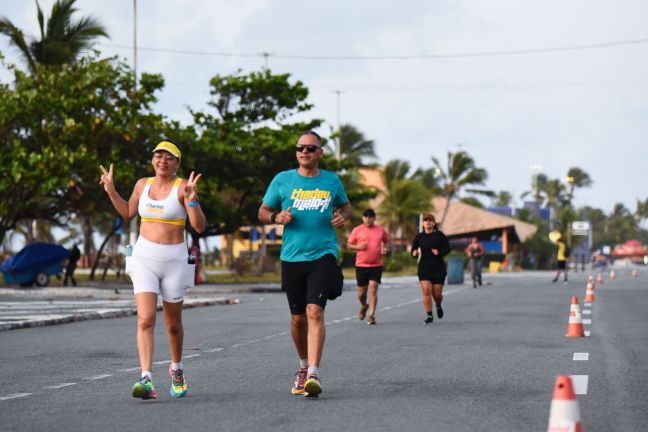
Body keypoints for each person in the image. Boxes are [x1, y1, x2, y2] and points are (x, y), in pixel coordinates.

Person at [99, 139, 206, 400]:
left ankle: (176, 368)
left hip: (175, 261)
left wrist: (192, 201)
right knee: (145, 319)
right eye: (159, 156)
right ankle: (145, 377)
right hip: (144, 257)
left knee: (172, 324)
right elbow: (127, 212)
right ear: (153, 160)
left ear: (177, 163)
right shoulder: (141, 185)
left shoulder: (183, 187)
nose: (163, 161)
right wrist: (111, 190)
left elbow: (200, 227)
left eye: (169, 157)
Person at [258, 130, 351, 398]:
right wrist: (276, 217)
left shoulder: (332, 181)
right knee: (298, 319)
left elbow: (346, 207)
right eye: (301, 148)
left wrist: (342, 216)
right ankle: (302, 366)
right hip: (292, 257)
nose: (305, 152)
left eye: (311, 148)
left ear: (320, 152)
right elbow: (262, 211)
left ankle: (313, 373)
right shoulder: (282, 180)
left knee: (314, 311)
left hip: (323, 254)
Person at [347, 208, 391, 325]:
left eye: (370, 217)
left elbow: (387, 241)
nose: (368, 219)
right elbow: (349, 245)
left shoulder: (380, 230)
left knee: (373, 288)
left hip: (376, 265)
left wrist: (386, 248)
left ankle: (371, 315)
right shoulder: (357, 230)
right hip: (361, 265)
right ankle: (363, 305)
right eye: (366, 217)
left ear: (374, 218)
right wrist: (358, 247)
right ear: (363, 218)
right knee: (361, 293)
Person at [411, 214, 450, 324]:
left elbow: (448, 248)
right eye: (425, 221)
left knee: (437, 295)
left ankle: (438, 304)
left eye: (430, 221)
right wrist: (414, 253)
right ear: (423, 224)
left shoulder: (440, 235)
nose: (428, 222)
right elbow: (413, 250)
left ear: (433, 223)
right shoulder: (419, 237)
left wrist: (439, 252)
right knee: (426, 291)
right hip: (424, 267)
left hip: (438, 268)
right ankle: (429, 316)